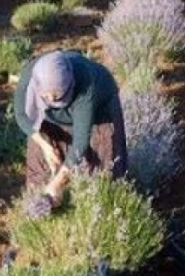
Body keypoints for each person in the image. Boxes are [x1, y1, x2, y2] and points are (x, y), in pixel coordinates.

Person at [12, 49, 127, 211]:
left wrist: (58, 182)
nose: (51, 99)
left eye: (58, 95)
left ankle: (100, 212)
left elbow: (81, 140)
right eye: (46, 95)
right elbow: (21, 115)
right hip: (50, 116)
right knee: (40, 166)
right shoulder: (31, 78)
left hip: (100, 112)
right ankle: (43, 212)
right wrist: (46, 147)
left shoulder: (86, 83)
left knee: (100, 168)